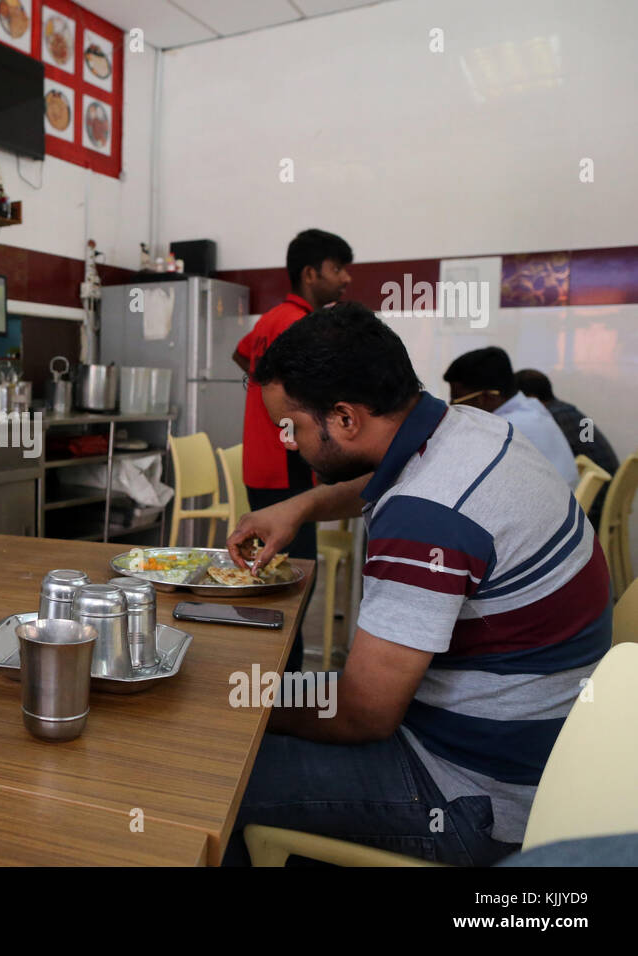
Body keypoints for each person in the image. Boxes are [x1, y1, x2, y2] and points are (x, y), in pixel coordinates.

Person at [222, 303, 611, 866]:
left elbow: (362, 713)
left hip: (472, 793)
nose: (286, 442)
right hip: (540, 756)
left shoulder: (425, 518)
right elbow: (382, 479)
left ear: (346, 418)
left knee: (217, 771)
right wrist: (300, 507)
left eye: (293, 426)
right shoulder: (468, 428)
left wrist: (240, 698)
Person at [231, 228, 353, 669]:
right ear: (310, 273)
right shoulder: (302, 324)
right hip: (289, 464)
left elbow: (242, 355)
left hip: (262, 464)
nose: (346, 279)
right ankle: (283, 695)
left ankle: (269, 683)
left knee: (272, 580)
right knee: (292, 584)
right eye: (337, 269)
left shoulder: (269, 320)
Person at [442, 348, 577, 487]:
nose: (452, 405)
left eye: (456, 400)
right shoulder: (531, 407)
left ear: (487, 397)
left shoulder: (506, 428)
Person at [515, 368, 619, 526]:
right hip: (609, 495)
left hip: (594, 504)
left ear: (531, 397)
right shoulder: (568, 410)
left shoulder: (546, 419)